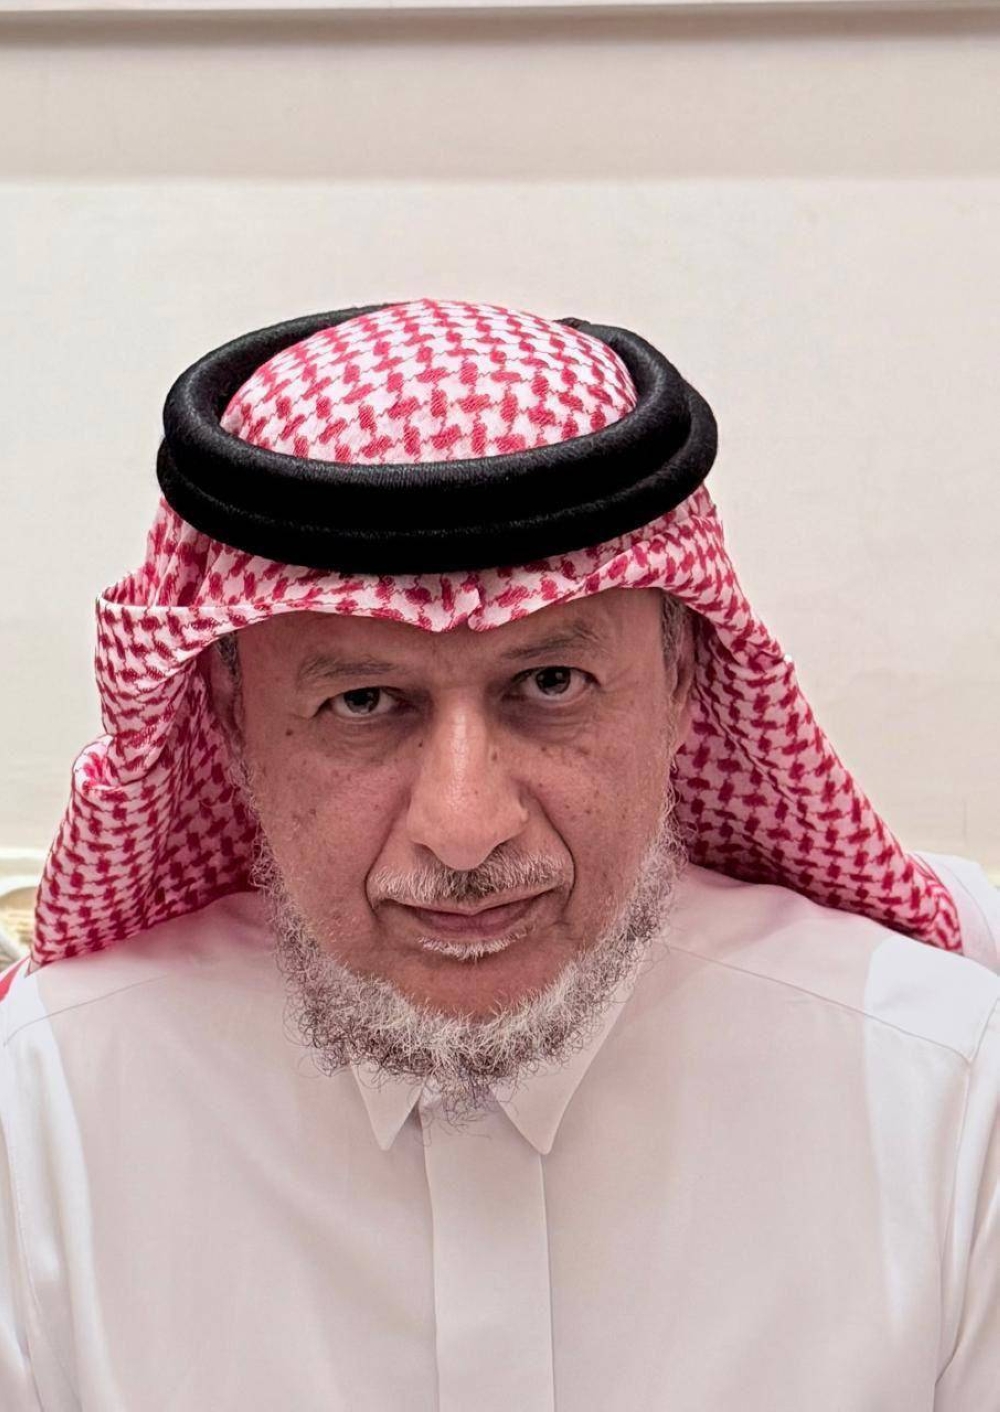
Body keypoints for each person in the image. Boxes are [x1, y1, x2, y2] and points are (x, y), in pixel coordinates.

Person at [0, 299, 996, 1411]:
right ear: (229, 721)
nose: (465, 825)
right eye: (363, 700)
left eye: (551, 683)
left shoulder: (945, 1099)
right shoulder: (46, 1113)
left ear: (682, 683)